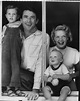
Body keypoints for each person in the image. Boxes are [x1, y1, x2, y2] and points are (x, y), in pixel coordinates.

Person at [19, 7, 50, 100]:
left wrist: (35, 89)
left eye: (32, 17)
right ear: (20, 20)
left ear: (37, 21)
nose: (28, 20)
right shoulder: (16, 34)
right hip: (16, 78)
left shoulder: (43, 36)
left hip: (30, 78)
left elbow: (41, 63)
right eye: (25, 17)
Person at [2, 5, 25, 96]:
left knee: (16, 68)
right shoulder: (5, 27)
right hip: (5, 51)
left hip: (16, 51)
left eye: (14, 14)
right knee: (5, 68)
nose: (11, 16)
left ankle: (15, 87)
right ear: (6, 15)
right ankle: (6, 88)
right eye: (9, 14)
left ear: (18, 16)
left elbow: (22, 39)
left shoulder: (20, 25)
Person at [50, 24, 80, 91]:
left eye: (63, 36)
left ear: (67, 37)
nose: (60, 39)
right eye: (57, 37)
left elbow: (79, 71)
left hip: (68, 83)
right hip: (53, 83)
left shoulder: (74, 52)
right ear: (54, 38)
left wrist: (71, 76)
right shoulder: (48, 51)